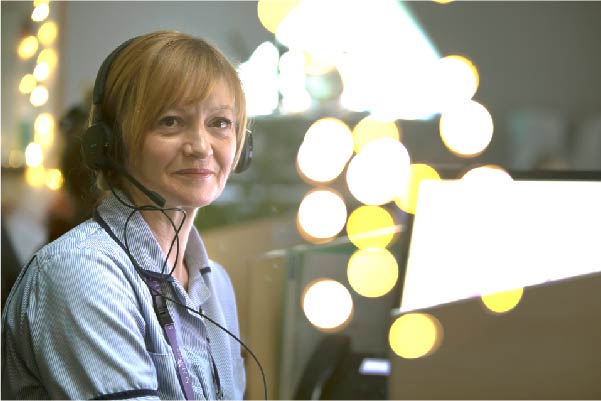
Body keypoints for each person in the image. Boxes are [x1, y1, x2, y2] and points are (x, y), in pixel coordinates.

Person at [2, 30, 250, 400]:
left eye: (220, 123)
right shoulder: (81, 271)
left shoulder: (216, 285)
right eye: (170, 121)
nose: (201, 146)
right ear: (111, 143)